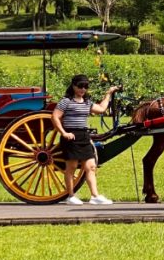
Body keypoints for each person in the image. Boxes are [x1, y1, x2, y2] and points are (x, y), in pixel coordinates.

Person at [51, 74, 120, 205]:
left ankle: (94, 196)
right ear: (73, 86)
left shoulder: (87, 102)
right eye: (80, 86)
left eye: (86, 86)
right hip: (71, 137)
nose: (83, 89)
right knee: (71, 167)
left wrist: (108, 94)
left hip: (84, 137)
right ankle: (70, 196)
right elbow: (55, 117)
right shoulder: (66, 101)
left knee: (91, 167)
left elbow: (101, 109)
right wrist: (64, 133)